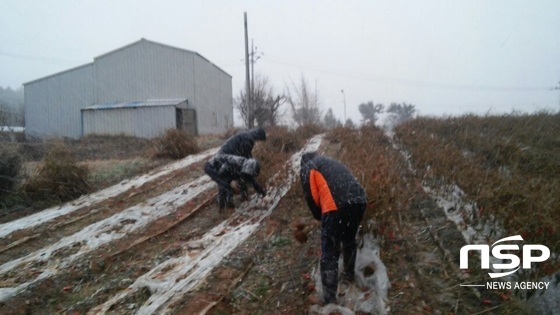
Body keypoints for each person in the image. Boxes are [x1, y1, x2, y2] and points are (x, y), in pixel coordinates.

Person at [299, 151, 367, 304]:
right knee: (349, 240)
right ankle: (349, 276)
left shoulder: (308, 168)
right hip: (359, 200)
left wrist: (320, 217)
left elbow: (311, 197)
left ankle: (329, 298)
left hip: (335, 205)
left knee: (329, 251)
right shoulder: (329, 161)